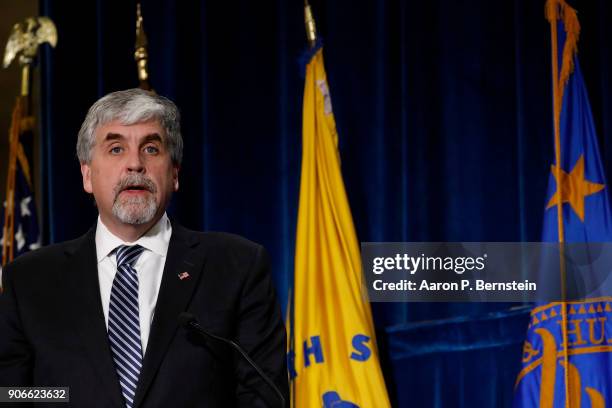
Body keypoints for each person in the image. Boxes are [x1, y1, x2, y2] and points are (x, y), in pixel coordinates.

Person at [0, 89, 288, 407]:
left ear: (174, 173)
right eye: (115, 149)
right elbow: (13, 396)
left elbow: (263, 398)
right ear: (86, 175)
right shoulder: (29, 280)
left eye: (151, 148)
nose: (135, 164)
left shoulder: (237, 266)